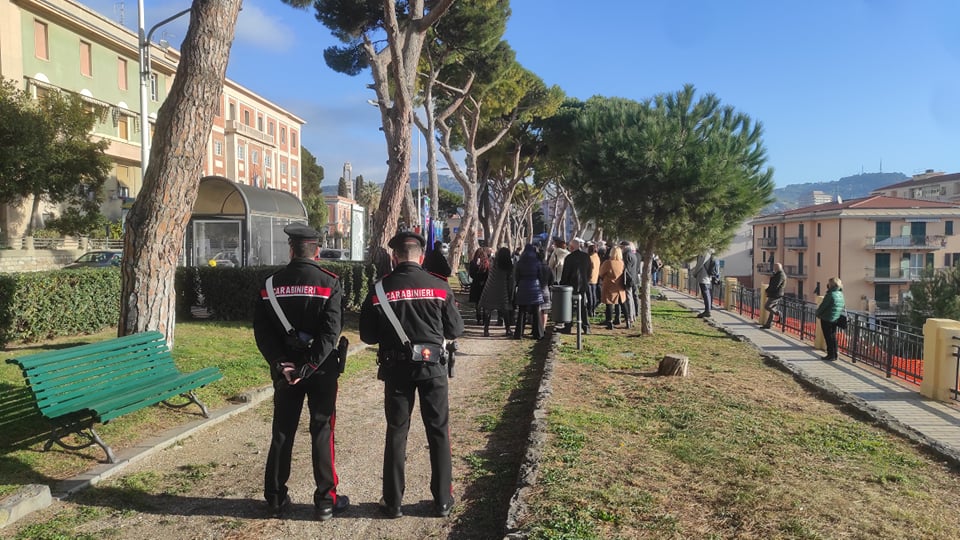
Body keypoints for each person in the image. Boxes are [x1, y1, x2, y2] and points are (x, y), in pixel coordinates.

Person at [359, 231, 465, 519]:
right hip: (433, 369)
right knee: (438, 431)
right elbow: (455, 329)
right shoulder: (440, 287)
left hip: (396, 370)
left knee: (397, 432)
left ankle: (392, 502)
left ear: (394, 258)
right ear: (421, 257)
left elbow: (367, 336)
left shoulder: (380, 290)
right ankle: (443, 500)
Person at [253, 223, 349, 521]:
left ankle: (275, 498)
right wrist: (310, 367)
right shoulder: (329, 282)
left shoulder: (270, 285)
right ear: (317, 251)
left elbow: (262, 333)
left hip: (286, 371)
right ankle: (325, 501)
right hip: (320, 371)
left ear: (291, 250)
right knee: (322, 430)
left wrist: (281, 363)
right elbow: (331, 333)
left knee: (282, 431)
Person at [479, 247, 515, 337]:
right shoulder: (508, 266)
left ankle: (486, 330)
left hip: (490, 287)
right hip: (502, 289)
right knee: (505, 309)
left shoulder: (493, 262)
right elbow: (510, 279)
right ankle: (508, 329)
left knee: (488, 309)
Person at [559, 237, 593, 334]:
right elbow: (589, 270)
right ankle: (586, 327)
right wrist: (587, 280)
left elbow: (565, 273)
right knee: (583, 306)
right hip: (583, 284)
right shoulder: (586, 257)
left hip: (571, 285)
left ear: (572, 247)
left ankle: (568, 326)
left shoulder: (569, 258)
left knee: (569, 307)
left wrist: (562, 283)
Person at [513, 244, 547, 339]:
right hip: (535, 288)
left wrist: (519, 284)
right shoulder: (537, 262)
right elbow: (540, 276)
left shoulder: (520, 262)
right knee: (536, 312)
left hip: (523, 287)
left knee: (521, 312)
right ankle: (538, 333)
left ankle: (519, 333)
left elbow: (517, 276)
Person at [816, 277, 845, 361]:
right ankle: (835, 354)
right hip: (835, 317)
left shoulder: (830, 294)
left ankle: (830, 355)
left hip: (827, 318)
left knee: (828, 337)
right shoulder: (840, 294)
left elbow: (823, 306)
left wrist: (818, 313)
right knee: (833, 337)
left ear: (831, 285)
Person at [599, 245, 627, 329]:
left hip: (609, 285)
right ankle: (628, 320)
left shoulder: (608, 263)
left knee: (609, 304)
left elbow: (601, 273)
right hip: (620, 286)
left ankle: (609, 322)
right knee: (622, 303)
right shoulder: (622, 263)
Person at [691, 250, 718, 318]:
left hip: (704, 276)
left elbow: (699, 264)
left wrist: (694, 273)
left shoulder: (704, 252)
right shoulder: (711, 252)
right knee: (707, 293)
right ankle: (708, 309)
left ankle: (707, 311)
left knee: (705, 293)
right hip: (708, 277)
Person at [468, 247, 491, 324]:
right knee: (480, 302)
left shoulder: (486, 262)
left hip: (480, 284)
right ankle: (480, 318)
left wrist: (481, 279)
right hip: (480, 284)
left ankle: (481, 318)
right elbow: (472, 274)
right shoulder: (474, 263)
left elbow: (488, 273)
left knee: (480, 302)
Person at [620, 241, 639, 329]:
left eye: (621, 247)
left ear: (624, 247)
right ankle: (633, 316)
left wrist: (624, 280)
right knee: (631, 298)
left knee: (628, 298)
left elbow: (626, 270)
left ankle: (630, 317)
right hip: (633, 279)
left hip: (628, 280)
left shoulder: (626, 255)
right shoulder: (633, 254)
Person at [762, 262, 786, 329]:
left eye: (775, 267)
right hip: (774, 293)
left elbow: (775, 285)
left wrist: (767, 290)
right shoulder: (777, 274)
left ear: (779, 268)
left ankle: (779, 313)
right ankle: (768, 324)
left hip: (776, 294)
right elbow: (772, 283)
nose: (774, 268)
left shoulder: (781, 275)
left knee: (767, 306)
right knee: (772, 309)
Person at [587, 242, 601, 315]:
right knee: (594, 294)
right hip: (595, 277)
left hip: (589, 278)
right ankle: (593, 309)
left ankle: (590, 310)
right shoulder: (597, 257)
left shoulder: (590, 258)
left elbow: (588, 268)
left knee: (590, 295)